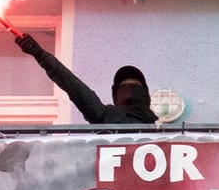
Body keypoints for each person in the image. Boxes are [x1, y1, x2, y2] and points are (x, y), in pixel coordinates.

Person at [14, 33, 159, 125]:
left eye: (135, 85)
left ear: (145, 94)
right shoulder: (105, 116)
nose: (130, 90)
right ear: (115, 95)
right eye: (124, 86)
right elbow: (74, 87)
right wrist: (40, 55)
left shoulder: (163, 132)